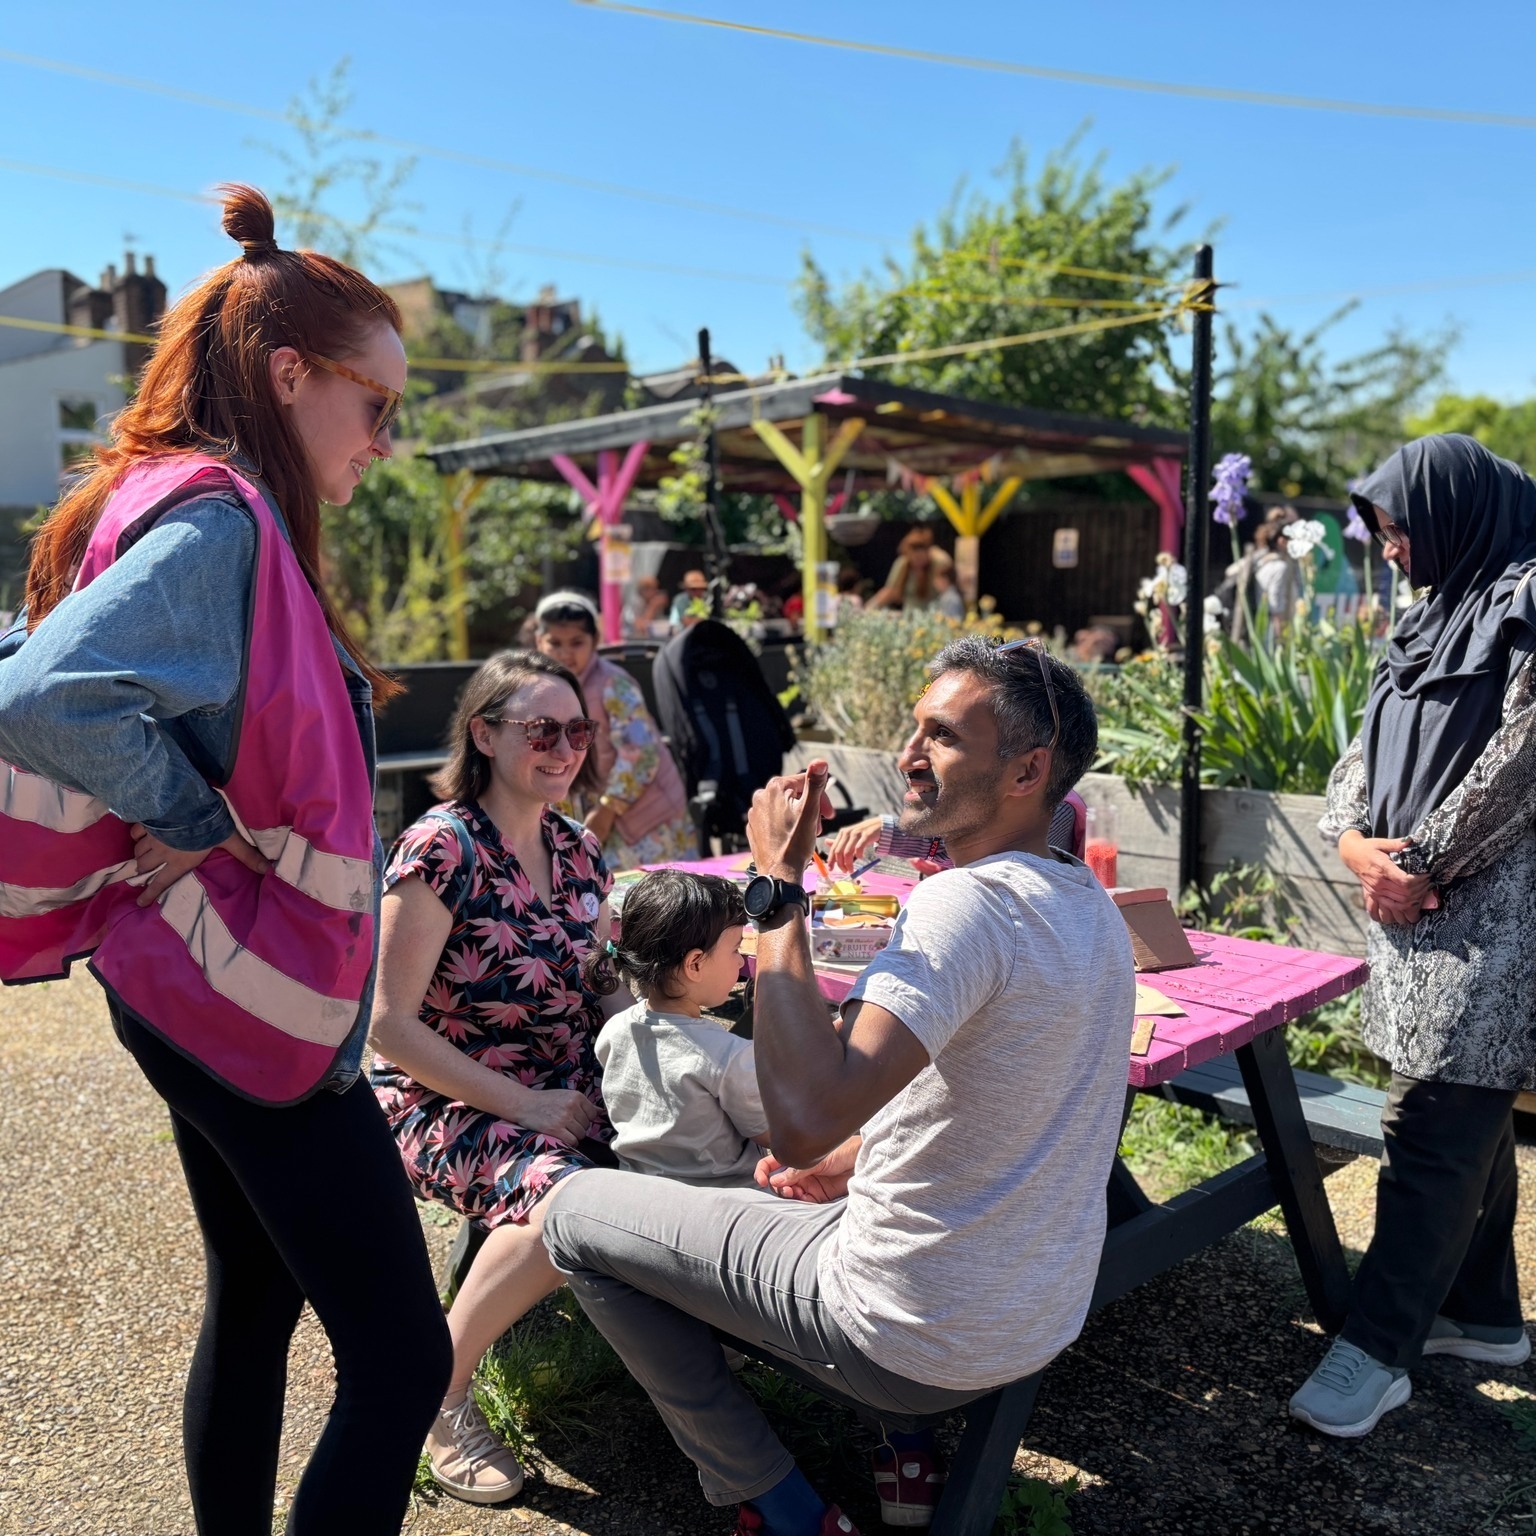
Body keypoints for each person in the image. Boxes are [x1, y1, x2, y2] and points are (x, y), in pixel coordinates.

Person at [0, 185, 452, 1535]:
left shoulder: (152, 496)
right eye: (376, 404)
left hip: (183, 981)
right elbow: (45, 698)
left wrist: (184, 805)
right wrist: (196, 818)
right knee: (403, 1356)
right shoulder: (222, 521)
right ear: (290, 371)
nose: (385, 439)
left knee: (254, 1302)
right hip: (249, 997)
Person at [541, 635, 1135, 1535]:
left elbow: (803, 1118)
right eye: (914, 730)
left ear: (1028, 770)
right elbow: (994, 1102)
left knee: (574, 1215)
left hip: (907, 1331)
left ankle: (775, 1500)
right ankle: (901, 1444)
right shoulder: (1086, 904)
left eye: (940, 736)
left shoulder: (963, 903)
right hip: (1038, 1314)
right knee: (794, 1185)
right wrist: (864, 1155)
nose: (908, 755)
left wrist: (775, 888)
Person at [1289, 434, 1535, 1438]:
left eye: (1397, 527)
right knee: (1462, 1111)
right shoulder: (1434, 612)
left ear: (1453, 511)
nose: (1389, 548)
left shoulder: (1528, 597)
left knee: (1429, 1124)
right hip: (1413, 910)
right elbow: (1360, 748)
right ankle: (1481, 1318)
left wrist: (1421, 862)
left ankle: (1377, 1348)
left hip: (1495, 918)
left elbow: (1524, 755)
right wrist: (1354, 845)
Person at [369, 649, 632, 1504]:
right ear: (484, 734)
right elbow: (387, 1024)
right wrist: (527, 1105)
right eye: (541, 729)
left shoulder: (579, 847)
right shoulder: (441, 849)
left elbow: (604, 987)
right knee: (570, 1202)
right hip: (441, 1101)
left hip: (565, 1090)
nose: (564, 748)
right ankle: (441, 1393)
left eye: (577, 730)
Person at [585, 869, 767, 1186]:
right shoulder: (727, 1056)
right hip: (729, 1203)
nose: (741, 963)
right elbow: (778, 1135)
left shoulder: (615, 1031)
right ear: (695, 964)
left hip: (643, 1192)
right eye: (736, 949)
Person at [533, 590, 695, 867]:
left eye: (576, 643)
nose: (565, 653)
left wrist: (607, 809)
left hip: (645, 819)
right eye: (555, 643)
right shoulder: (538, 690)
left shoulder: (613, 685)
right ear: (539, 642)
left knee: (652, 899)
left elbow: (642, 755)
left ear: (595, 641)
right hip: (593, 819)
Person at [867, 526, 941, 611]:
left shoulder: (936, 563)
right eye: (916, 558)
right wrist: (869, 607)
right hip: (909, 613)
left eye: (922, 558)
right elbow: (889, 591)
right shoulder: (902, 564)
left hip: (933, 614)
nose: (918, 562)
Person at [624, 573, 670, 638]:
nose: (655, 592)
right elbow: (641, 627)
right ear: (641, 591)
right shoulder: (636, 603)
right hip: (634, 639)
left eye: (655, 589)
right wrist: (652, 607)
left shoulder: (654, 600)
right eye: (650, 589)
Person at [930, 551, 964, 620]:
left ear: (945, 580)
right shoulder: (946, 596)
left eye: (936, 579)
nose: (934, 582)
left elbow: (953, 621)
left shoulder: (951, 598)